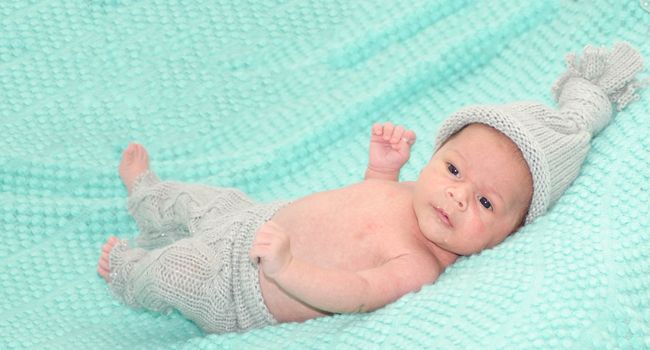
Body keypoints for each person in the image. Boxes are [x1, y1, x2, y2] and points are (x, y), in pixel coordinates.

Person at [97, 42, 645, 333]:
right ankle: (149, 197)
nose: (457, 195)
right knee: (199, 200)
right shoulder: (410, 194)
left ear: (507, 235)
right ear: (435, 154)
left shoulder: (417, 266)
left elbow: (354, 291)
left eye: (484, 202)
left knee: (175, 271)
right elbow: (360, 210)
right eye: (454, 170)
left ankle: (129, 274)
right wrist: (382, 169)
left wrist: (288, 269)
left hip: (242, 288)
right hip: (258, 218)